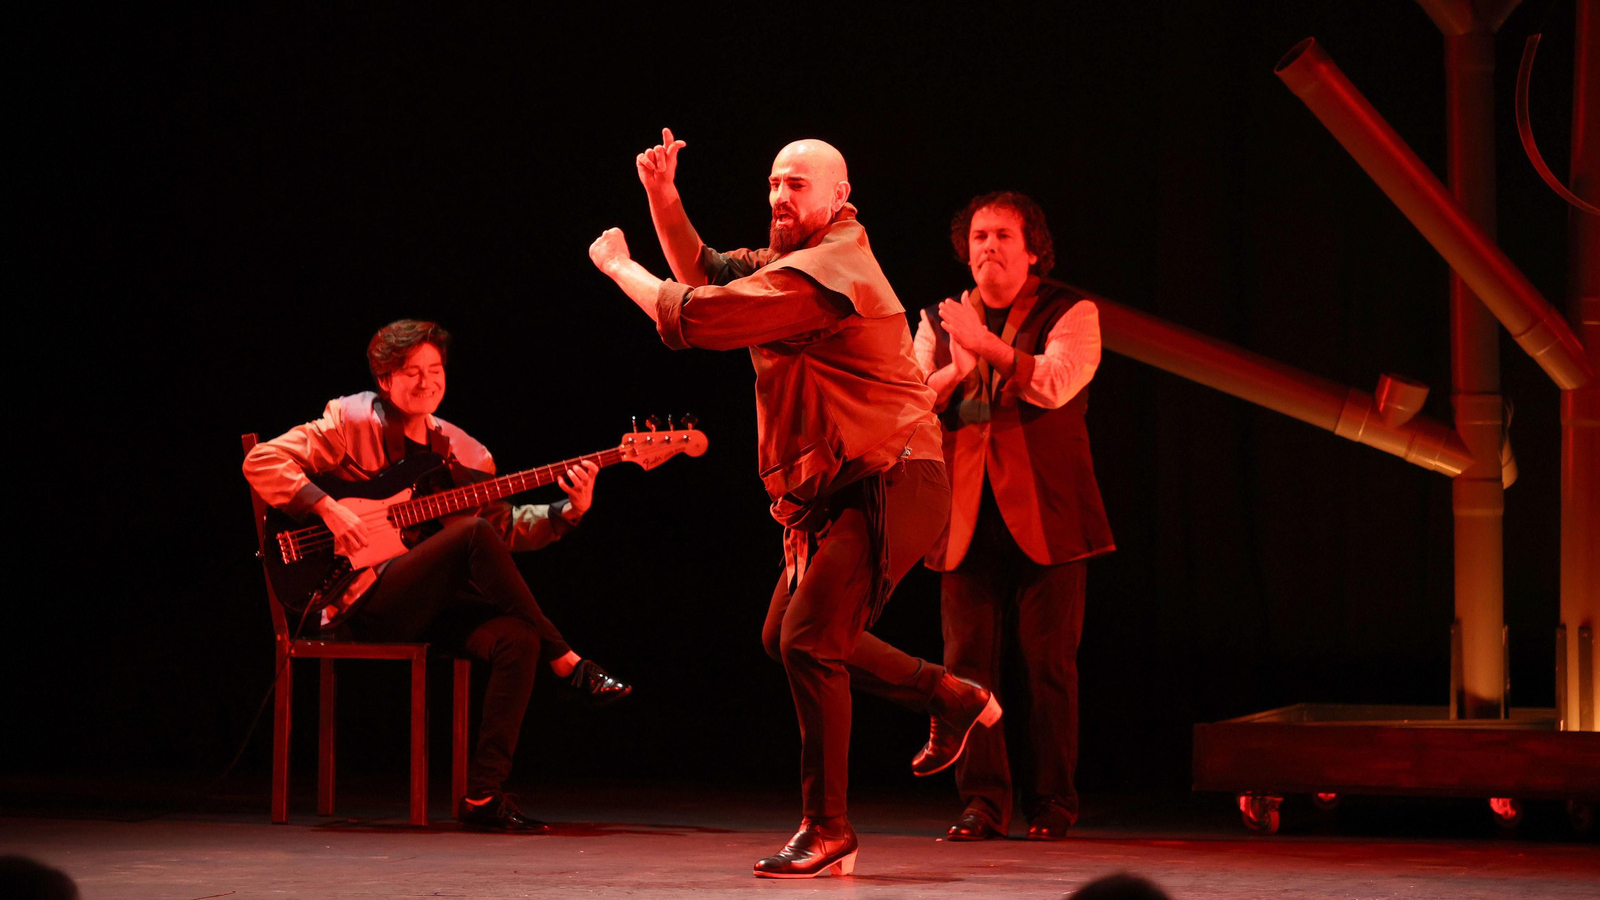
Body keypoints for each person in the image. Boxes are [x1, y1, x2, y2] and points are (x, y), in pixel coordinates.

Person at [588, 129, 1000, 878]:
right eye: (775, 183)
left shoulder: (831, 270)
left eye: (797, 185)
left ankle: (828, 827)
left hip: (896, 475)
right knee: (787, 635)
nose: (779, 196)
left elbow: (701, 317)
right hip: (844, 488)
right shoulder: (791, 261)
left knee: (811, 641)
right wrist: (664, 197)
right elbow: (706, 274)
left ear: (840, 197)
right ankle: (949, 695)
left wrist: (620, 267)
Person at [242, 319, 632, 832]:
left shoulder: (462, 452)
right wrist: (327, 509)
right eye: (412, 372)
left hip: (426, 603)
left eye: (436, 370)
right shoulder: (347, 424)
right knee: (470, 534)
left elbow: (501, 528)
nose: (426, 382)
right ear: (385, 380)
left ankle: (483, 795)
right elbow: (262, 461)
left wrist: (569, 510)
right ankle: (568, 661)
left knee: (518, 637)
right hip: (354, 598)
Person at [913, 192, 1115, 841]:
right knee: (966, 669)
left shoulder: (1071, 311)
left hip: (1047, 516)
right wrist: (956, 368)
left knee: (1047, 666)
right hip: (965, 515)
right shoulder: (938, 319)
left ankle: (1052, 801)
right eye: (979, 236)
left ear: (1033, 250)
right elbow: (910, 402)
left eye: (1003, 235)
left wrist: (989, 348)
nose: (988, 247)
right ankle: (982, 802)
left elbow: (1056, 382)